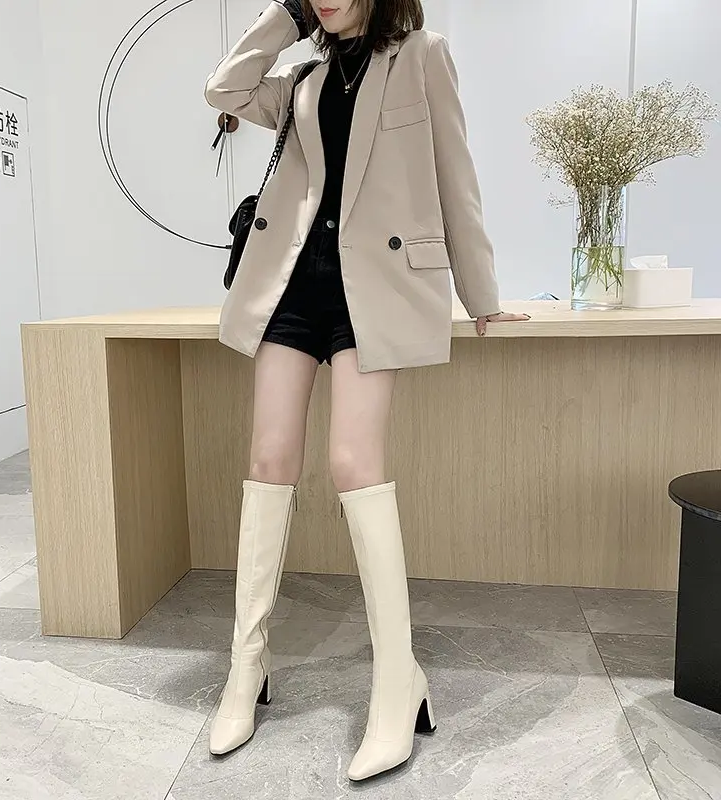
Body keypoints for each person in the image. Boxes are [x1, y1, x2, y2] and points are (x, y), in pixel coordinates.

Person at [204, 0, 529, 781]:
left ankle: (396, 682)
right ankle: (247, 668)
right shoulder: (303, 72)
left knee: (354, 465)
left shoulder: (423, 55)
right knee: (269, 460)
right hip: (292, 287)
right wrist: (283, 19)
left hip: (373, 290)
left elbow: (456, 176)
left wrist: (481, 294)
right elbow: (224, 89)